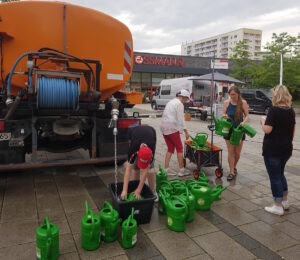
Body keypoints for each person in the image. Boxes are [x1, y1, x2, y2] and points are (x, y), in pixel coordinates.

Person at [261, 85, 296, 216]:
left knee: (275, 177)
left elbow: (267, 130)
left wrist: (262, 121)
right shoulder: (291, 111)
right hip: (286, 149)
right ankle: (285, 201)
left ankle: (277, 206)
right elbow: (293, 132)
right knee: (280, 174)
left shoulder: (273, 110)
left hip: (272, 149)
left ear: (276, 95)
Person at [120, 125, 157, 201]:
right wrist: (124, 190)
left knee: (151, 169)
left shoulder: (151, 151)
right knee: (134, 166)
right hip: (134, 132)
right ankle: (135, 187)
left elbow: (146, 171)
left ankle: (153, 191)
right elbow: (127, 170)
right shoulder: (133, 149)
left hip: (151, 131)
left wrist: (139, 190)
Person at [160, 89, 190, 176]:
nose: (186, 101)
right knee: (179, 148)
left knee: (170, 148)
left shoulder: (171, 102)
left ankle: (166, 169)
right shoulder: (179, 104)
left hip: (164, 127)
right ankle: (181, 171)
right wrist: (186, 131)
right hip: (172, 128)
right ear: (183, 97)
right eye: (186, 99)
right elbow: (181, 119)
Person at [222, 86, 249, 181]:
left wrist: (244, 122)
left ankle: (234, 167)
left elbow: (247, 115)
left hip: (239, 130)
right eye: (230, 94)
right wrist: (225, 116)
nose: (232, 96)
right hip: (228, 130)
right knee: (231, 151)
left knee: (237, 152)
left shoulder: (243, 103)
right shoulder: (226, 102)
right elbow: (223, 114)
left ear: (238, 94)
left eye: (234, 94)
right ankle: (231, 172)